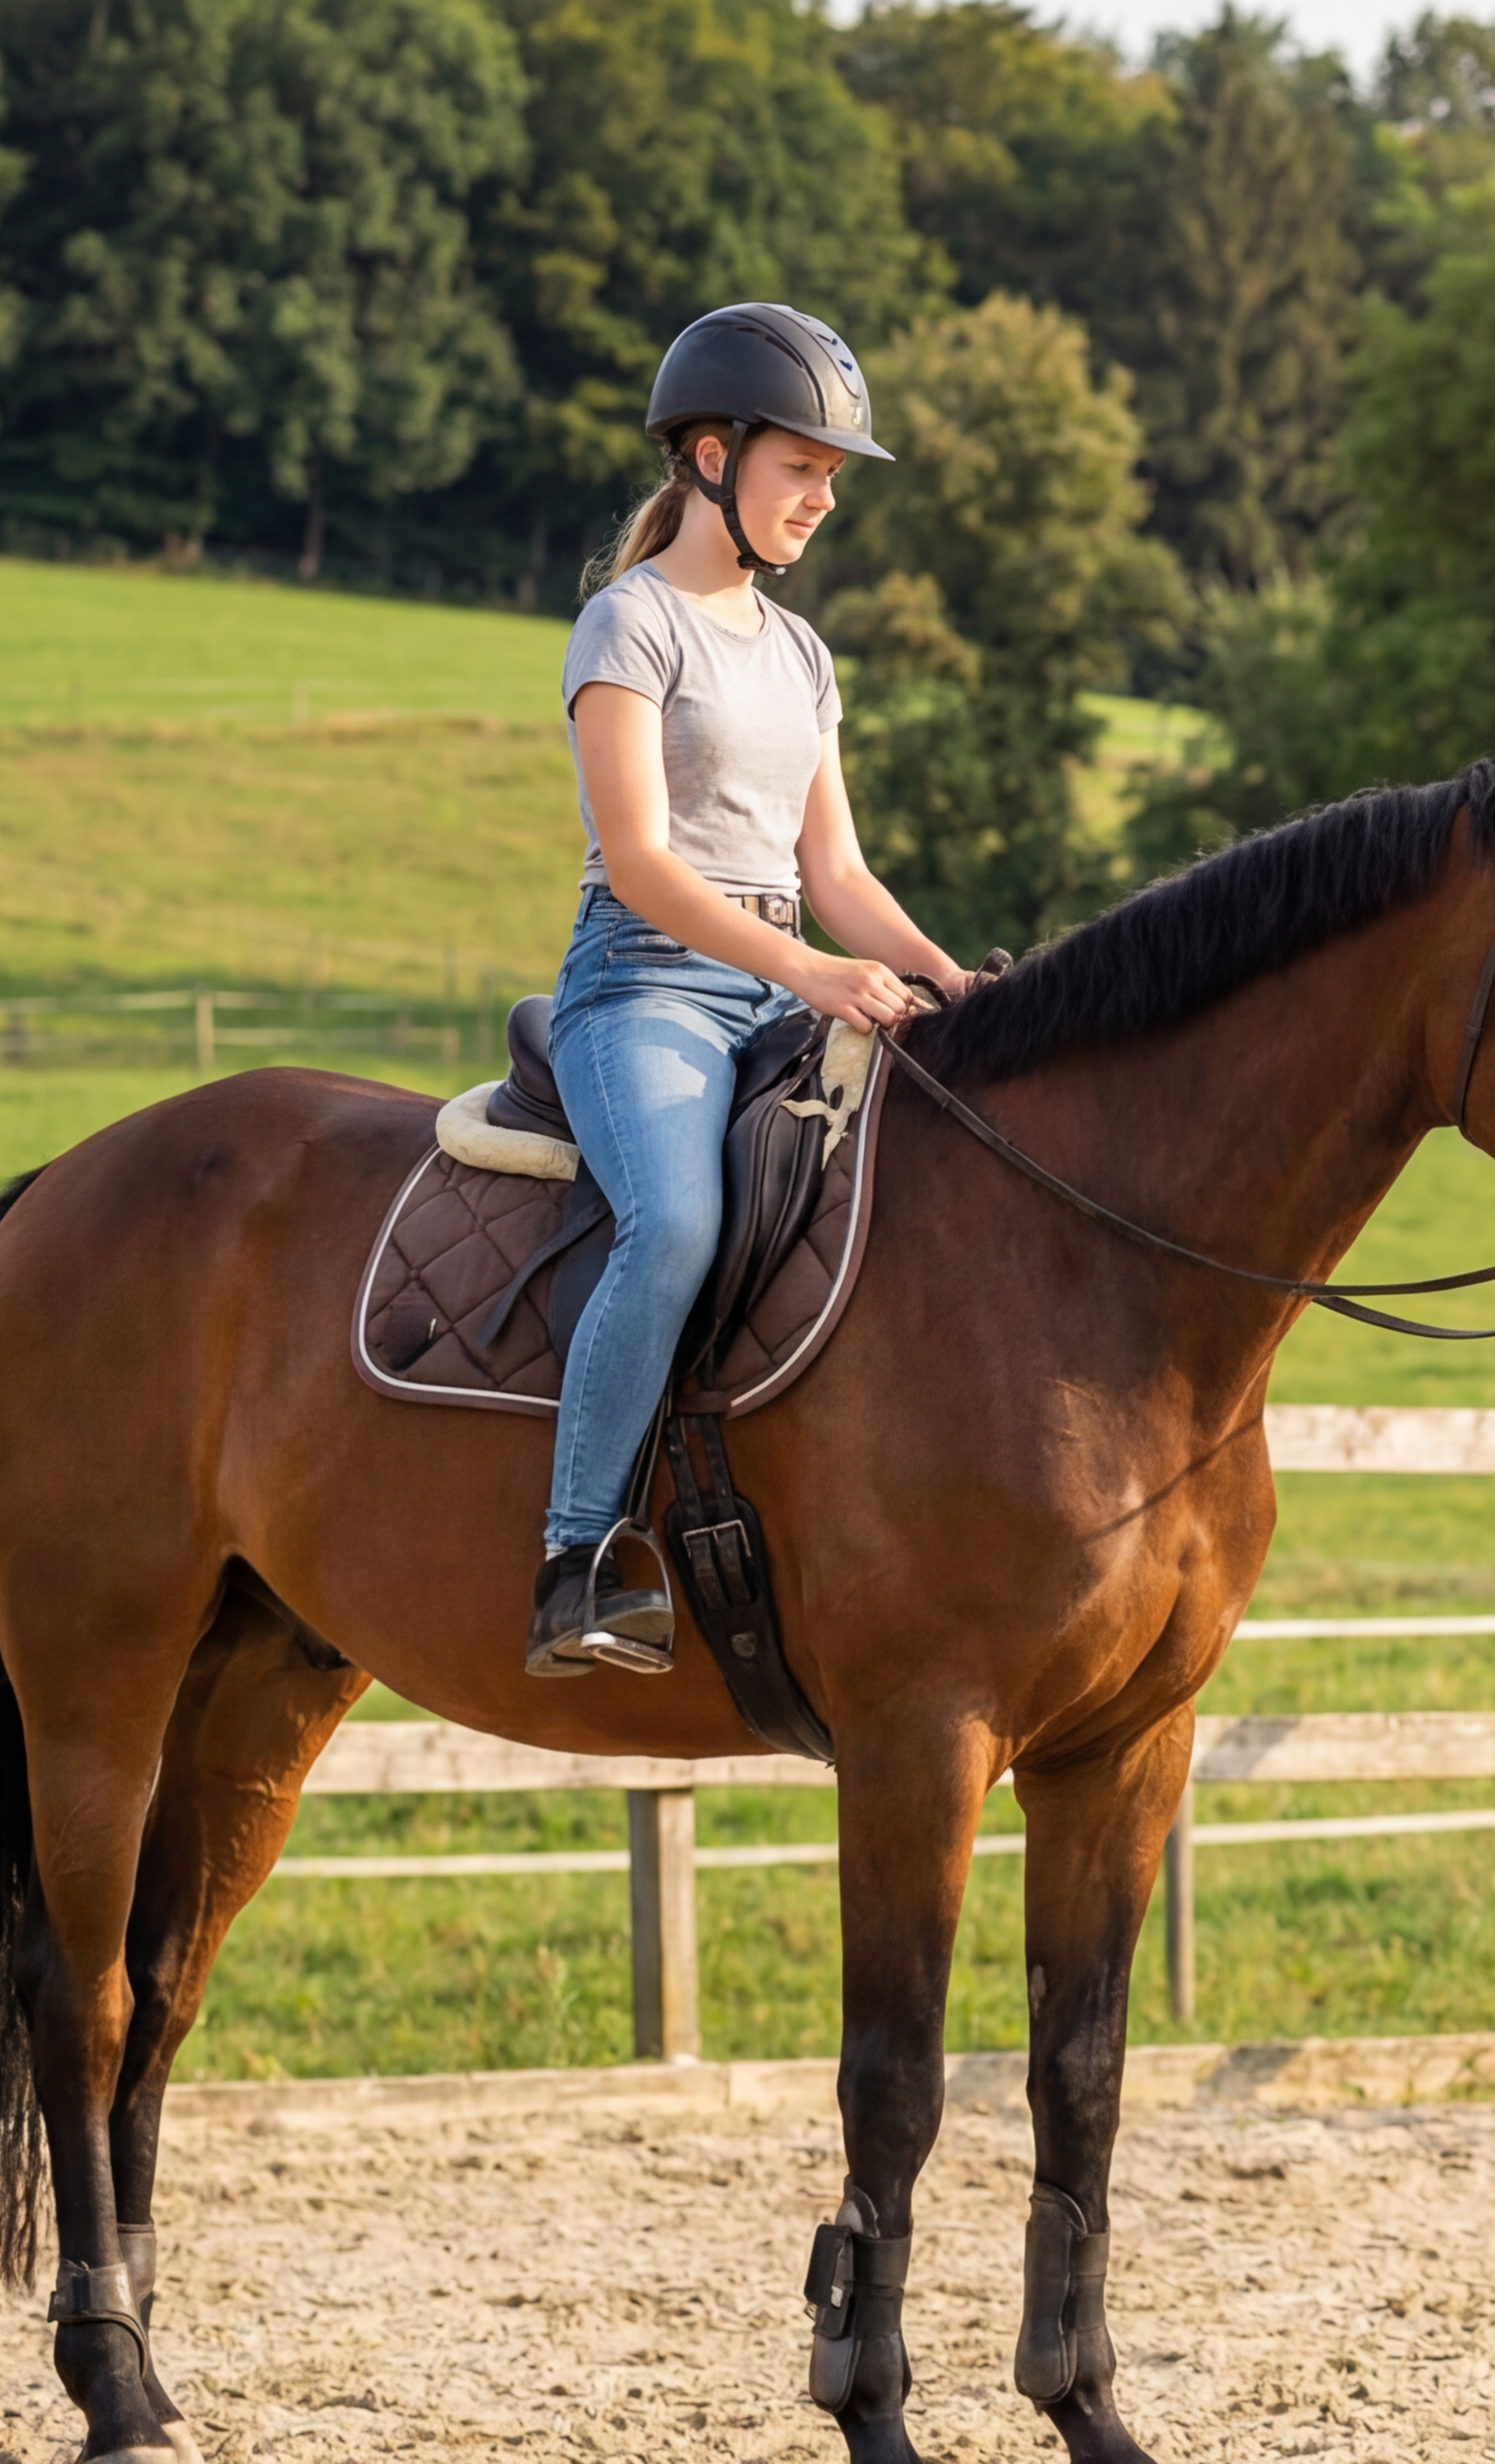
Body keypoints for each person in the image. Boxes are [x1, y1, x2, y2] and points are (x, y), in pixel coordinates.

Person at [528, 302, 982, 1679]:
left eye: (834, 478)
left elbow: (834, 870)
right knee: (672, 1223)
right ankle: (575, 1561)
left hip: (785, 983)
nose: (823, 500)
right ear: (712, 458)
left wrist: (945, 977)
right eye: (804, 469)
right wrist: (809, 971)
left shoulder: (802, 654)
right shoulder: (630, 625)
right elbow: (643, 862)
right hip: (646, 987)